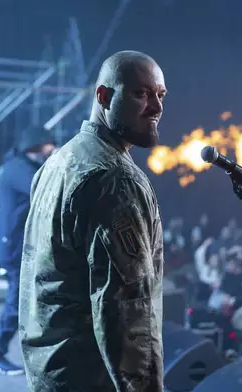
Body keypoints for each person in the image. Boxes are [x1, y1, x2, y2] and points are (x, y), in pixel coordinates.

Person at [18, 50, 167, 391]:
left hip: (50, 371)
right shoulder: (116, 181)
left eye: (160, 95)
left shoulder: (59, 162)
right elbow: (128, 309)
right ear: (103, 96)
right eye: (141, 94)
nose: (157, 108)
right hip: (91, 378)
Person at [0, 127, 56, 375]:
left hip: (26, 246)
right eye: (47, 145)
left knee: (34, 301)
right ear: (35, 145)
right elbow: (45, 190)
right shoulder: (18, 169)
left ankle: (37, 352)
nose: (51, 149)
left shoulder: (24, 166)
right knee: (17, 302)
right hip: (16, 248)